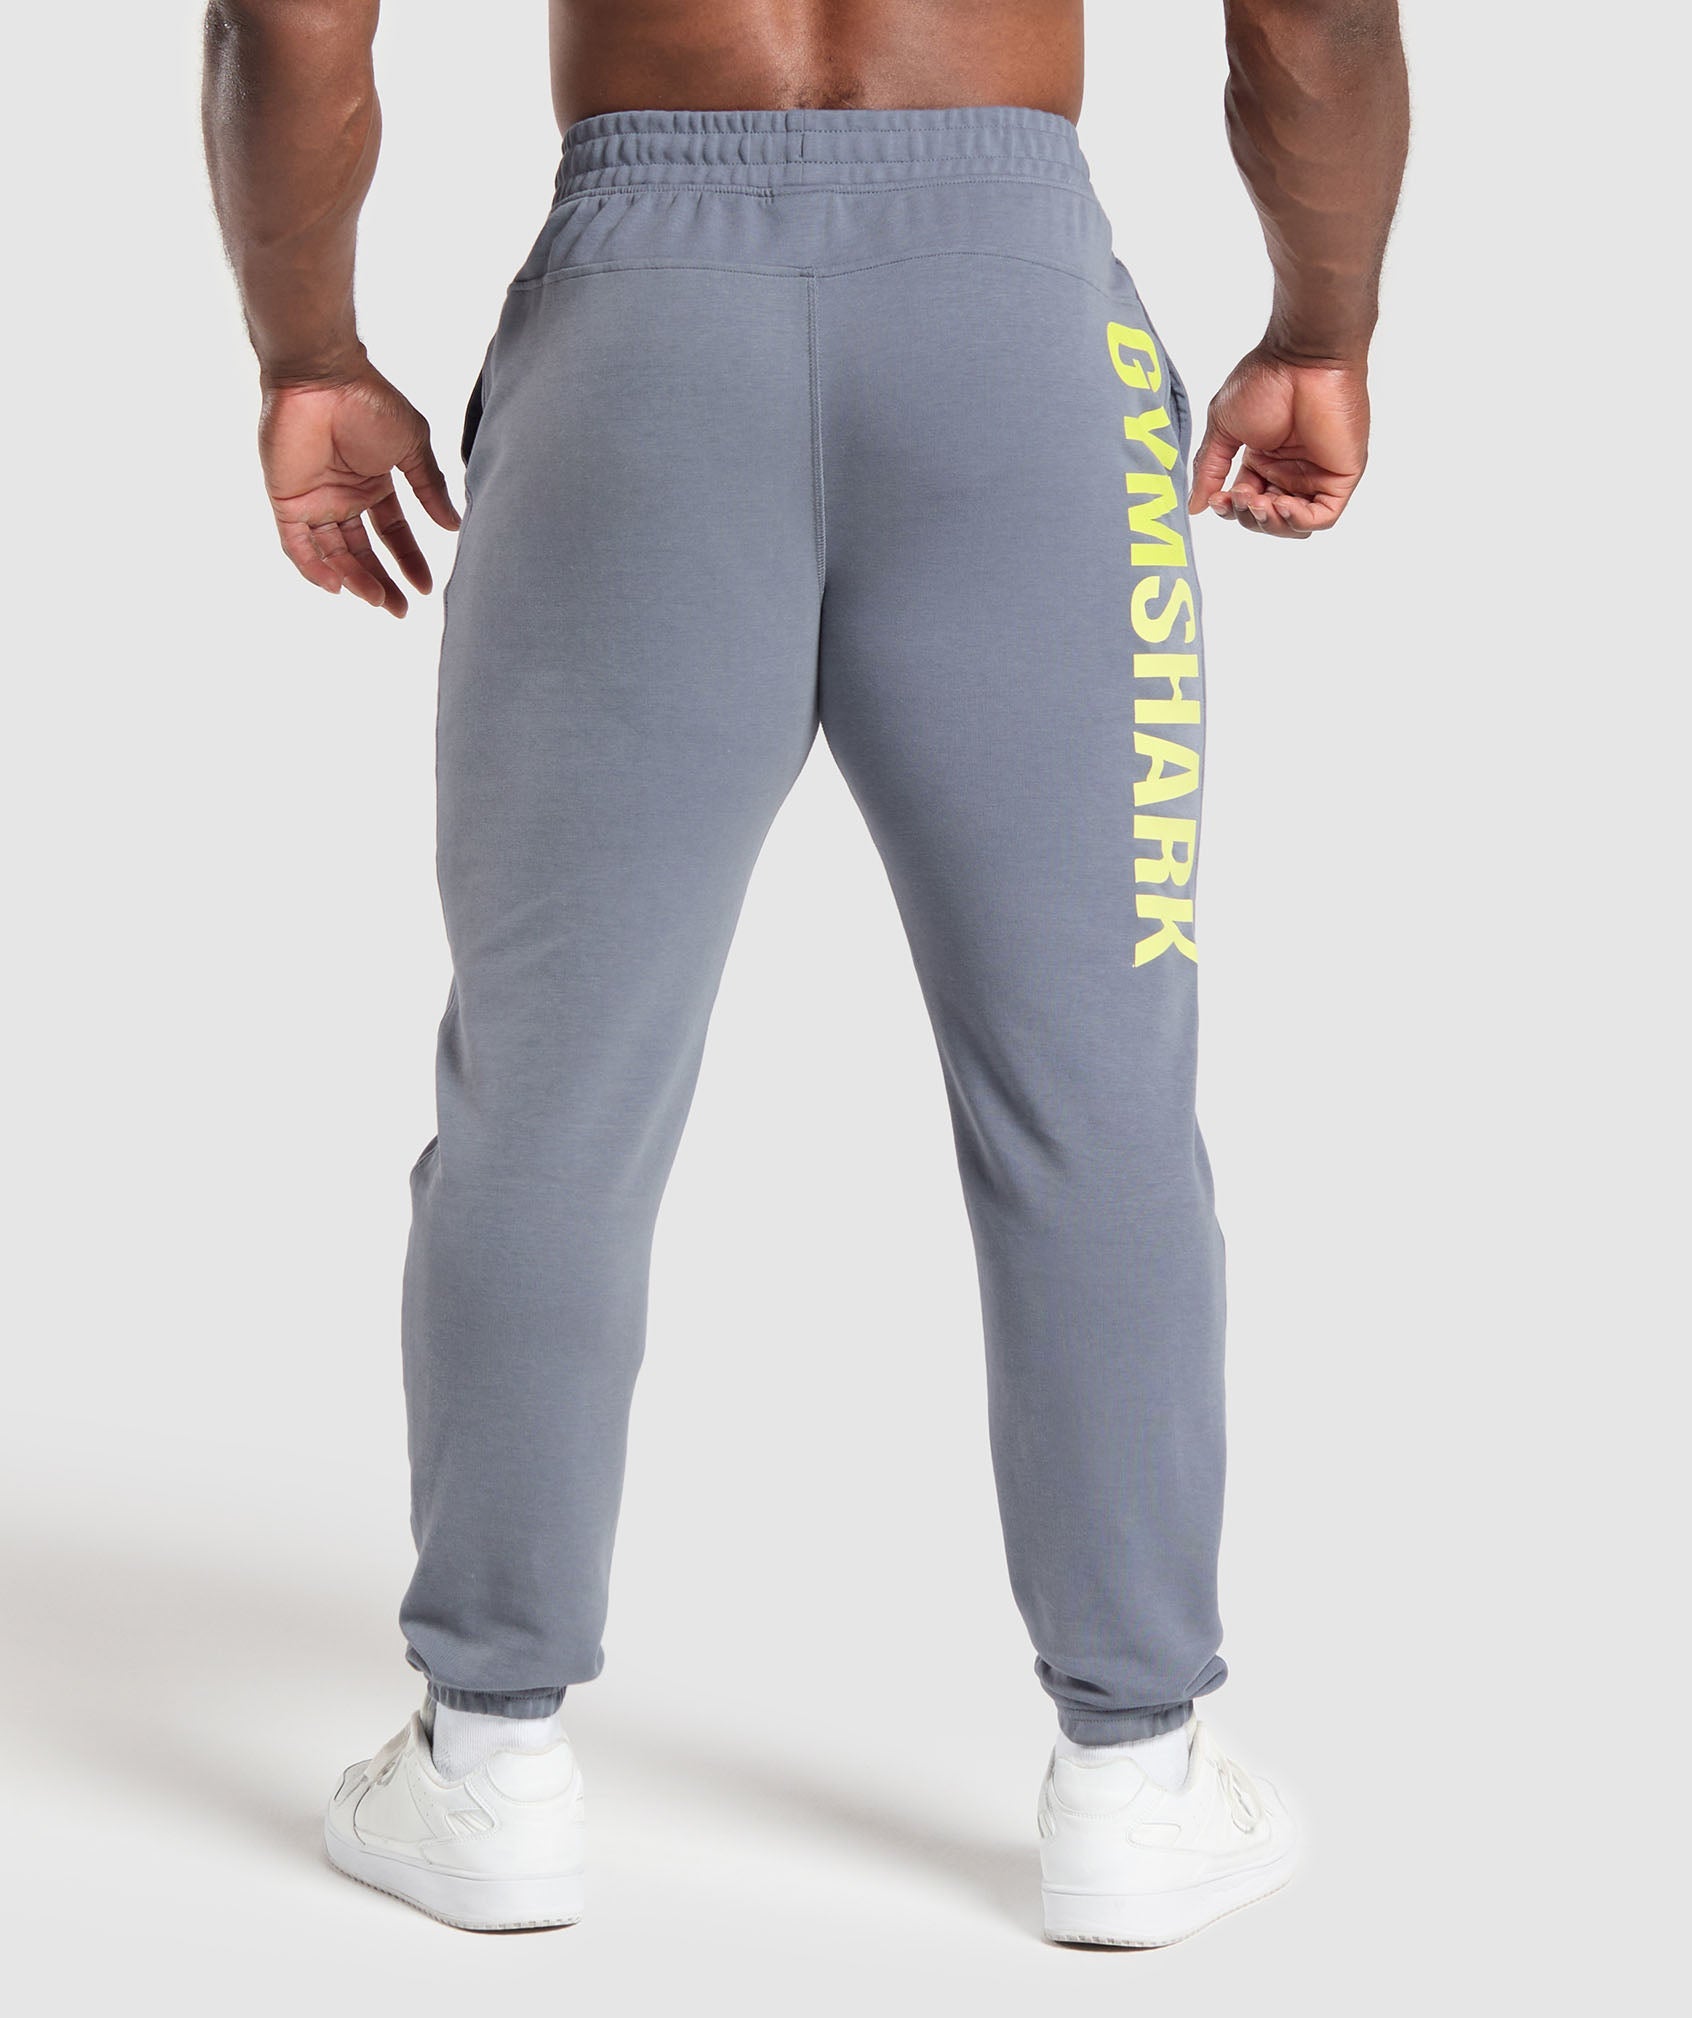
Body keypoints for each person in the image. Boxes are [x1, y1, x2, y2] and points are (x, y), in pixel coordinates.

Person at [203, 0, 1407, 1946]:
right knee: (1092, 1088)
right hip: (1013, 321)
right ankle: (1135, 1775)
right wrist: (1322, 327)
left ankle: (487, 1758)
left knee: (549, 1094)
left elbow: (287, 17)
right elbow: (1317, 19)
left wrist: (308, 351)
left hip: (642, 318)